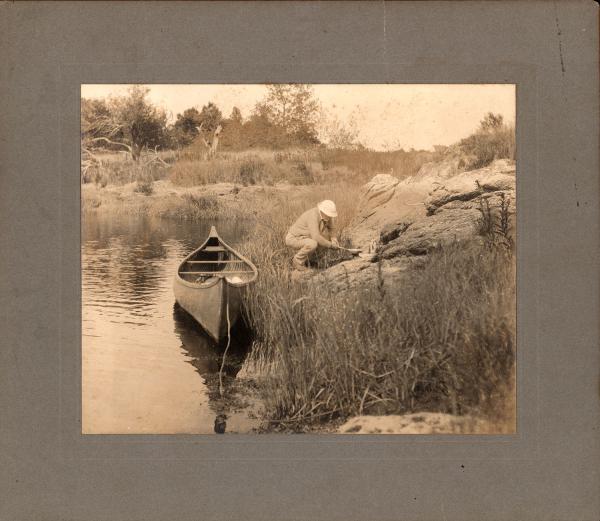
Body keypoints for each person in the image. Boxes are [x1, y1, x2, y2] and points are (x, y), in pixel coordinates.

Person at [285, 200, 340, 271]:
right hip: (294, 238)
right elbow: (316, 237)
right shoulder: (313, 215)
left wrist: (333, 239)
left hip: (306, 237)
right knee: (313, 244)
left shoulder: (327, 216)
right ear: (322, 211)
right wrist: (331, 245)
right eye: (328, 214)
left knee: (325, 241)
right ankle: (297, 261)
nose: (330, 217)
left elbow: (332, 228)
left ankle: (311, 261)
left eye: (330, 215)